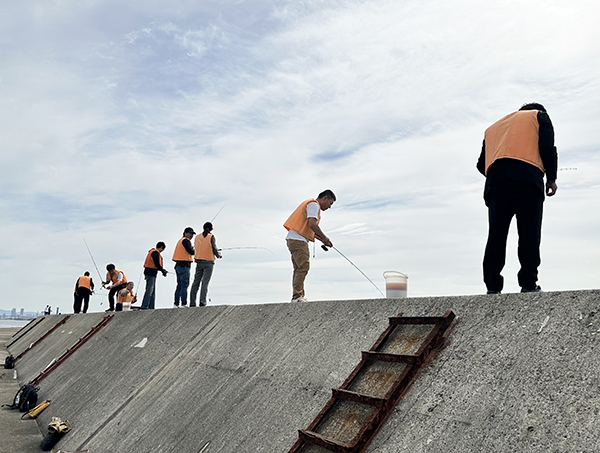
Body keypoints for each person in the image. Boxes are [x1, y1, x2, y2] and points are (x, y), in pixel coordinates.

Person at [477, 103, 558, 294]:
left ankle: (492, 287)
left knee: (496, 235)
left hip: (496, 184)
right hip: (527, 180)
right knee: (529, 233)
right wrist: (552, 178)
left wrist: (499, 174)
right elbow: (547, 147)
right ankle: (528, 284)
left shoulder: (493, 128)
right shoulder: (539, 116)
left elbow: (482, 164)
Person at [284, 190, 336, 303]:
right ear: (325, 198)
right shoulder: (313, 205)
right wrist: (325, 238)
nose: (329, 207)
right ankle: (297, 297)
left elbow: (310, 229)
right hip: (298, 240)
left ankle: (298, 296)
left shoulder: (310, 203)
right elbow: (312, 224)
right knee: (303, 267)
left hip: (293, 239)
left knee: (299, 268)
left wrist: (323, 240)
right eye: (330, 203)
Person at [190, 222, 222, 307]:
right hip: (208, 262)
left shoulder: (197, 237)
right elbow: (214, 248)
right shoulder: (211, 237)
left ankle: (192, 303)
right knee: (205, 282)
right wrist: (218, 255)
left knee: (196, 282)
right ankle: (202, 302)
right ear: (211, 229)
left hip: (198, 262)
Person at [140, 242, 168, 310]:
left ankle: (151, 307)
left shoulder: (152, 251)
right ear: (161, 247)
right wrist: (162, 270)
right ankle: (145, 306)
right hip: (151, 273)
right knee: (149, 290)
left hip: (150, 272)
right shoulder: (155, 252)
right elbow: (157, 263)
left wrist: (162, 270)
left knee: (152, 291)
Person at [172, 227, 195, 307]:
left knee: (179, 285)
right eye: (190, 233)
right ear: (185, 233)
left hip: (178, 265)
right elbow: (191, 251)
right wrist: (197, 250)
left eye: (192, 234)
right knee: (184, 284)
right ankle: (184, 303)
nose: (191, 235)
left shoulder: (180, 241)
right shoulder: (185, 240)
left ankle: (176, 303)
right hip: (184, 265)